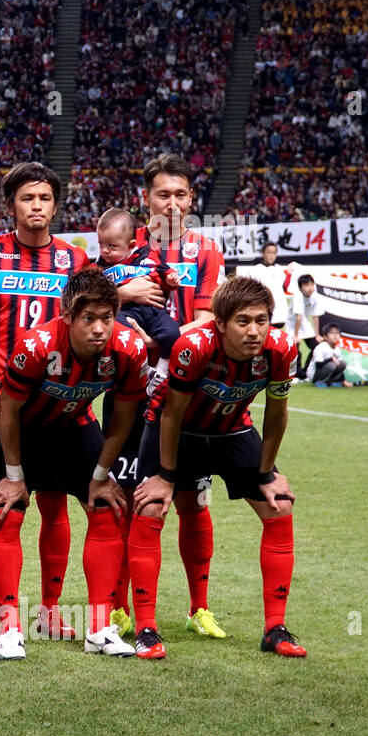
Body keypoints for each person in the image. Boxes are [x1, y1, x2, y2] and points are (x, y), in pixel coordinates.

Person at [129, 276, 306, 659]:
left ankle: (275, 629)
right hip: (176, 430)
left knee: (281, 506)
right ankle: (145, 628)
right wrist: (165, 476)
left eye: (262, 320)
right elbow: (172, 414)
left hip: (231, 429)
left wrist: (267, 473)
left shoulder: (282, 349)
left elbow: (276, 415)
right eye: (243, 321)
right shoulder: (194, 346)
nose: (255, 331)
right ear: (220, 323)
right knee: (151, 507)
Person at [0, 268, 147, 659]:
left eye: (106, 318)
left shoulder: (128, 349)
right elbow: (7, 410)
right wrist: (13, 475)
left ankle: (99, 628)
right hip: (15, 428)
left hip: (73, 424)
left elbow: (123, 416)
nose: (99, 329)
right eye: (88, 318)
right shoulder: (37, 345)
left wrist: (100, 475)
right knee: (9, 512)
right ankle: (9, 626)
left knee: (106, 507)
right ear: (67, 317)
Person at [0, 161, 90, 640]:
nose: (36, 207)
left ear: (55, 206)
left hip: (58, 409)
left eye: (44, 199)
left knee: (55, 508)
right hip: (1, 408)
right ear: (10, 205)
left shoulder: (75, 262)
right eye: (26, 199)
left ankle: (50, 610)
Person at [126, 153, 227, 640]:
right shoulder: (124, 244)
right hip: (127, 389)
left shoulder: (207, 252)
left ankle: (198, 607)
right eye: (162, 194)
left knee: (193, 500)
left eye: (180, 194)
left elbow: (209, 320)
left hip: (186, 394)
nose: (171, 203)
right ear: (146, 197)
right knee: (130, 500)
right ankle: (124, 608)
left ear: (191, 199)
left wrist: (163, 344)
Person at [94, 206, 180, 389]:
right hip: (126, 313)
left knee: (173, 332)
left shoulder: (146, 255)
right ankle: (145, 370)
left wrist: (171, 280)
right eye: (101, 244)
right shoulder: (99, 267)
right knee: (118, 330)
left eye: (111, 246)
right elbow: (94, 297)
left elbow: (164, 273)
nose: (105, 250)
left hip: (154, 312)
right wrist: (122, 294)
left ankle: (161, 370)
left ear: (131, 245)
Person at [236, 241, 290, 334]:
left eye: (274, 253)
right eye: (269, 252)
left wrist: (289, 275)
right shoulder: (256, 270)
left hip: (280, 311)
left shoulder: (279, 269)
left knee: (277, 337)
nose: (271, 256)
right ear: (263, 253)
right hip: (265, 310)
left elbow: (284, 288)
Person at [288, 273, 324, 377]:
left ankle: (306, 372)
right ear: (300, 287)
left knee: (317, 346)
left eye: (312, 285)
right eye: (306, 285)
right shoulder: (297, 296)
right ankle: (295, 374)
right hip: (293, 325)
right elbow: (298, 316)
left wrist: (317, 335)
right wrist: (296, 336)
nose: (310, 288)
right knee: (295, 351)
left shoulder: (315, 296)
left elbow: (315, 316)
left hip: (305, 324)